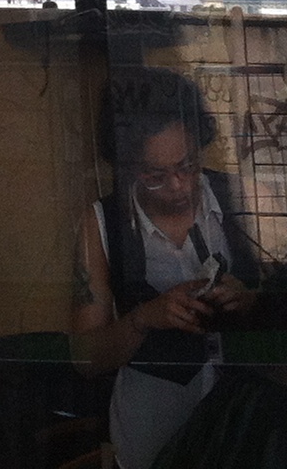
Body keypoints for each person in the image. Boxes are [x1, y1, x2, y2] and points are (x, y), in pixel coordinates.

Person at [72, 67, 260, 469]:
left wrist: (249, 299)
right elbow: (85, 358)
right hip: (150, 434)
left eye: (188, 166)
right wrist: (144, 318)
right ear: (126, 165)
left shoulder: (239, 198)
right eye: (155, 175)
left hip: (245, 428)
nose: (178, 185)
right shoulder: (103, 223)